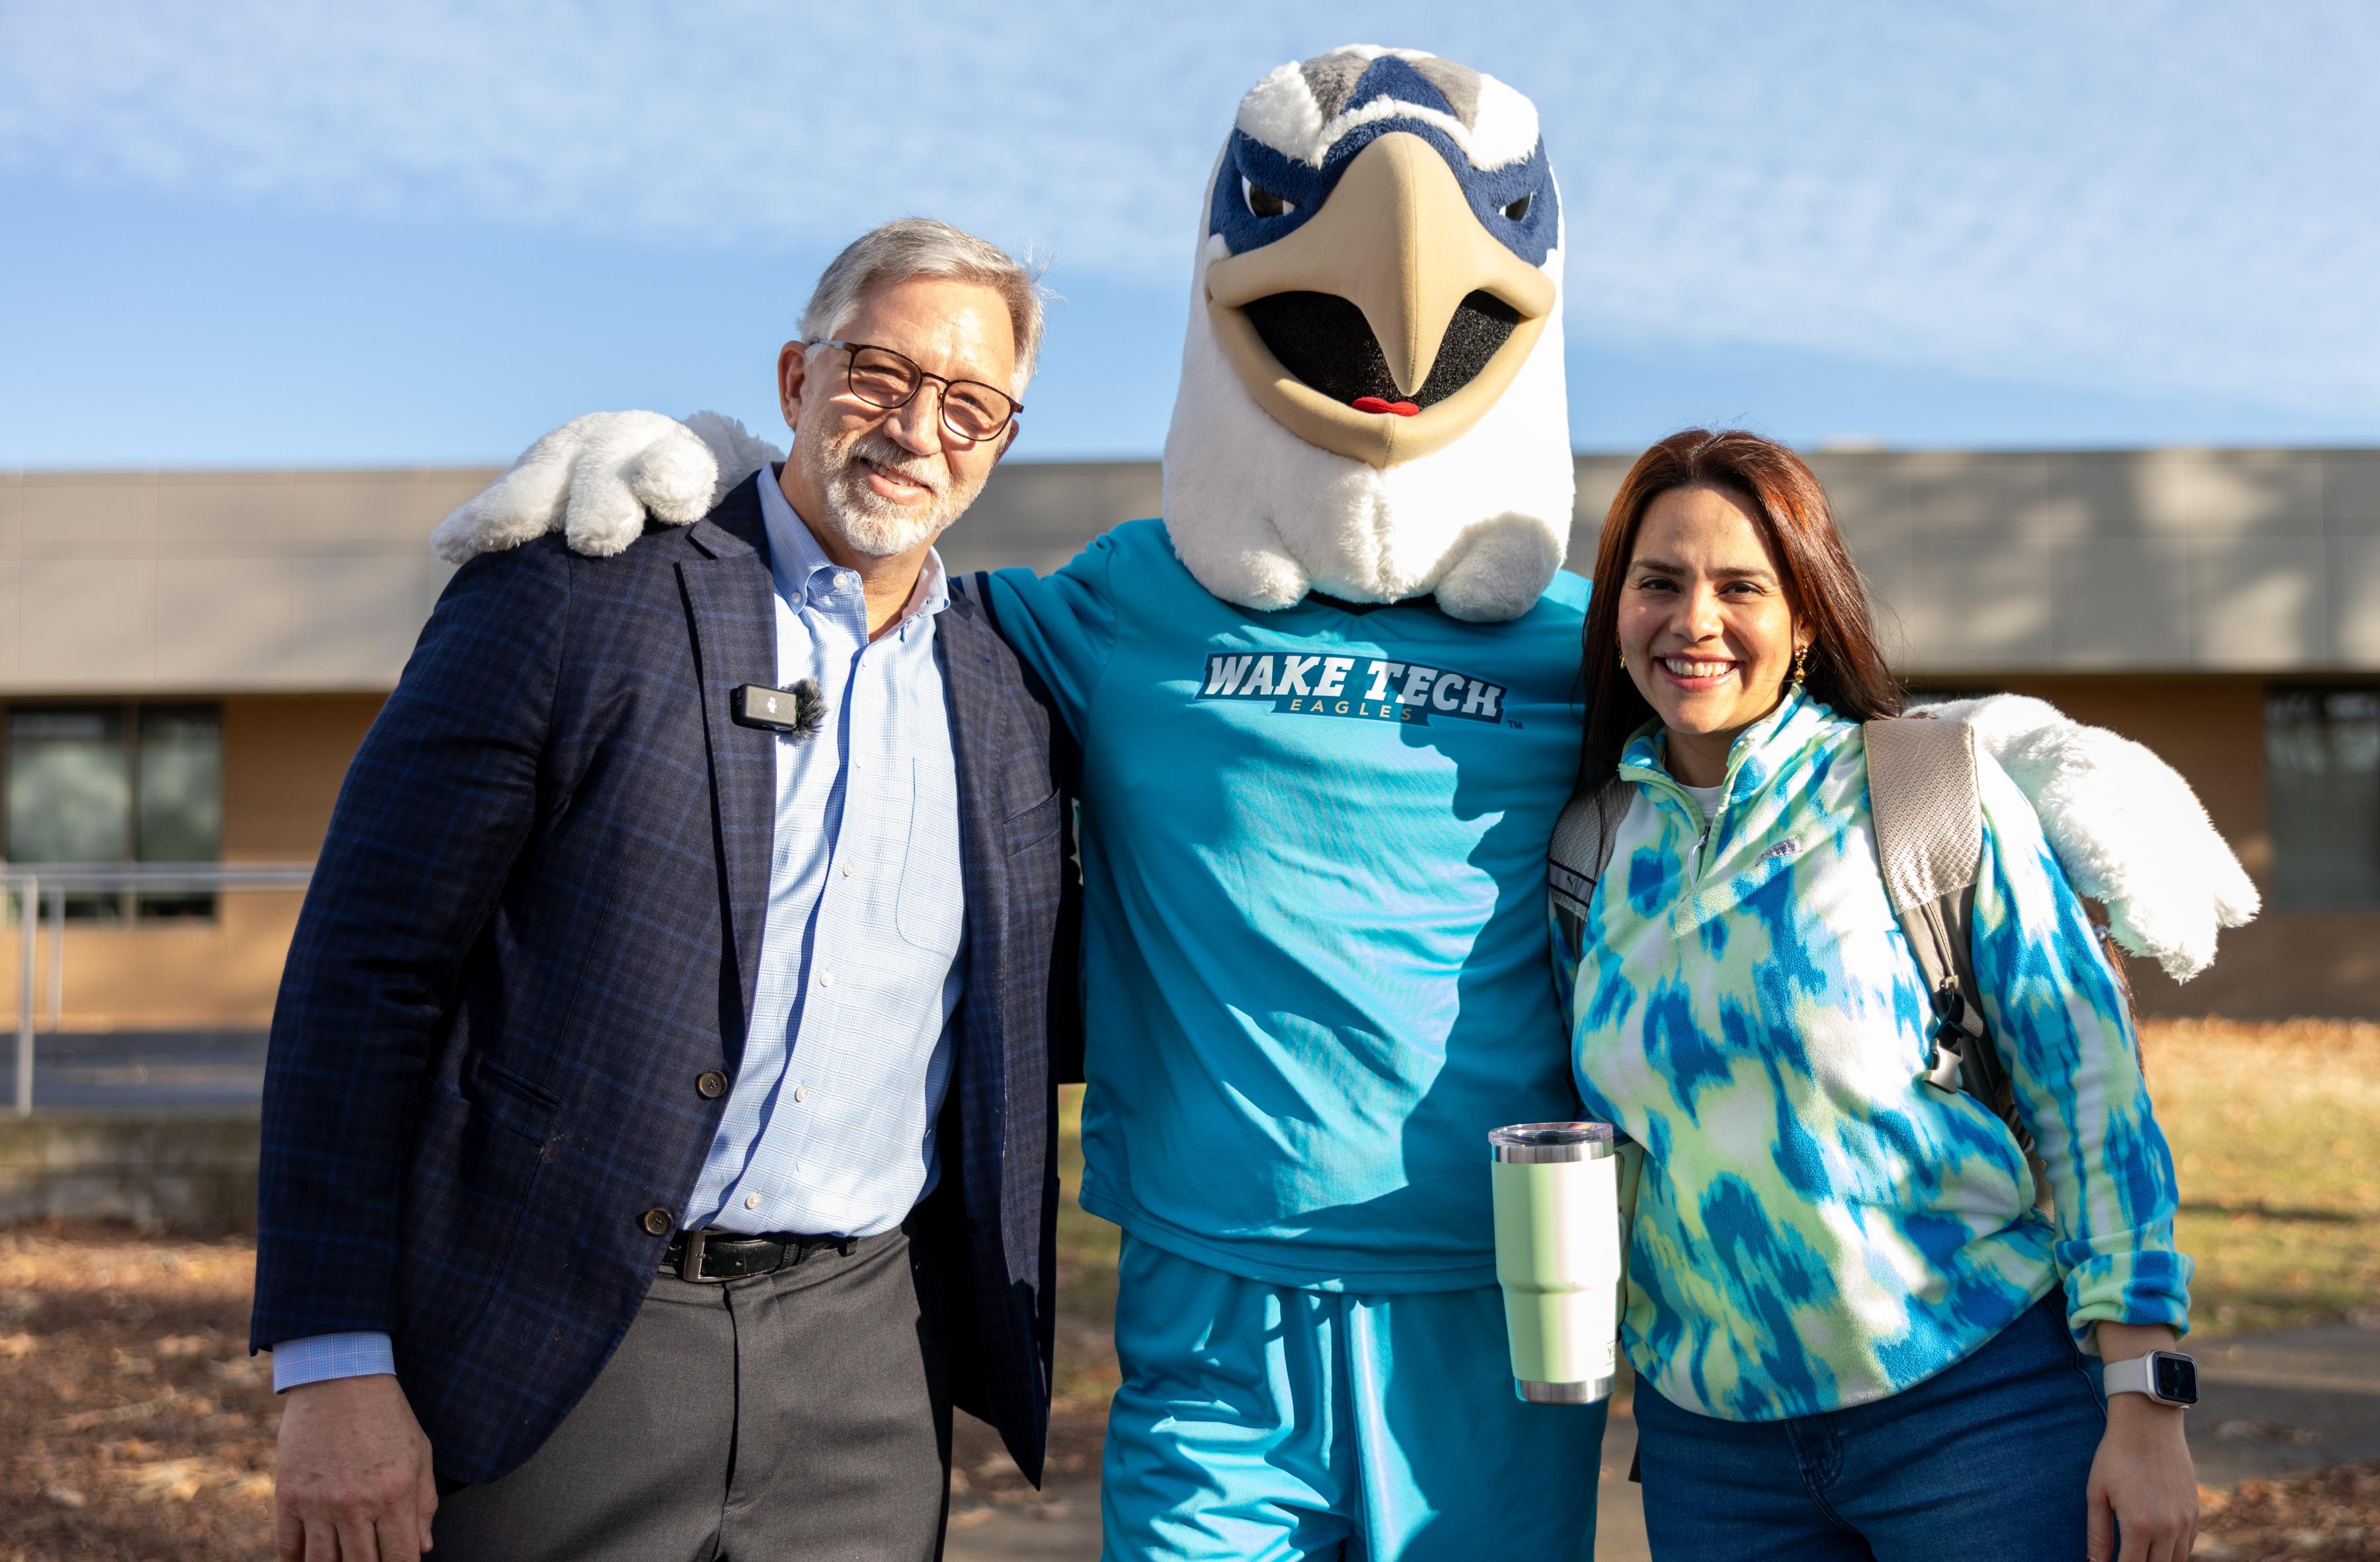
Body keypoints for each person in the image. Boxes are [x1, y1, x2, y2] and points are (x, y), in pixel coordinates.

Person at [434, 48, 1614, 1562]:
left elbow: (1782, 754)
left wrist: (1981, 752)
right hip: (1210, 1290)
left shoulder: (1584, 646)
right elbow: (883, 596)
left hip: (1495, 1280)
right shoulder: (1133, 599)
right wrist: (719, 478)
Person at [249, 218, 1079, 1562]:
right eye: (879, 371)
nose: (918, 425)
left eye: (969, 402)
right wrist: (330, 1356)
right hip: (558, 1343)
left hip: (868, 1363)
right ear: (797, 380)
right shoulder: (576, 596)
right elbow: (364, 971)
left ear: (999, 441)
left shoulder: (1010, 692)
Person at [1552, 430, 2203, 1562]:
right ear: (1616, 613)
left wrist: (2146, 1403)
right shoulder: (1590, 852)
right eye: (1658, 583)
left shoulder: (1925, 785)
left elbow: (2089, 1089)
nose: (1694, 619)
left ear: (1804, 616)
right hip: (1714, 1455)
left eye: (1740, 586)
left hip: (1973, 1412)